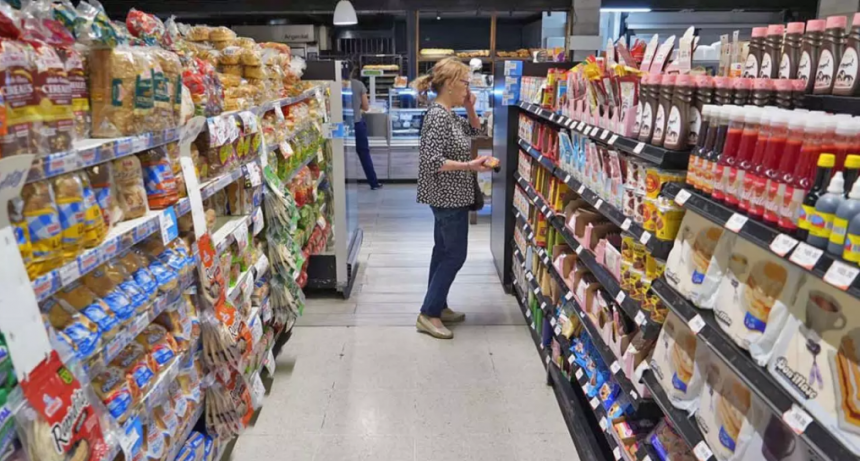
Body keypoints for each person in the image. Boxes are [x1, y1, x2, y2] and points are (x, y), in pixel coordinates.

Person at [412, 58, 491, 340]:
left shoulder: (449, 114)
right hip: (447, 196)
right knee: (455, 254)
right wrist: (470, 166)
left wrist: (470, 107)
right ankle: (428, 313)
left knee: (443, 251)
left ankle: (439, 305)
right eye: (465, 83)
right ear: (449, 84)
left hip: (453, 194)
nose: (468, 88)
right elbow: (432, 161)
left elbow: (477, 132)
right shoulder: (437, 116)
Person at [350, 66, 381, 190]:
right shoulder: (358, 85)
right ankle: (373, 183)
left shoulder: (334, 85)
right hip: (357, 123)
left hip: (340, 125)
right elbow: (366, 107)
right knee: (364, 153)